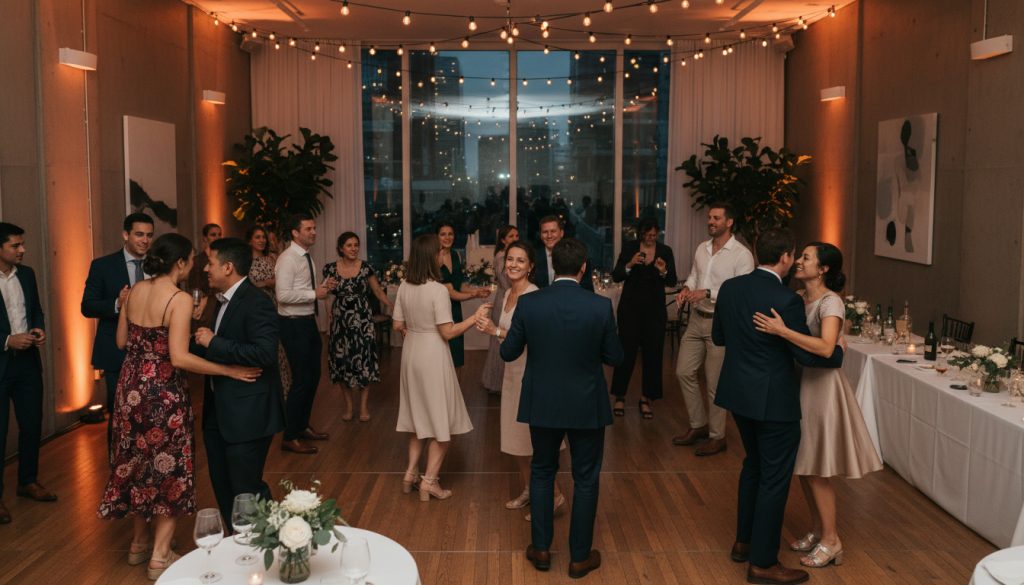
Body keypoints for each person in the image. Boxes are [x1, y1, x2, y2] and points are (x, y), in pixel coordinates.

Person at [97, 233, 260, 580]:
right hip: (162, 395)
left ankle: (139, 545)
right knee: (166, 468)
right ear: (180, 263)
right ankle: (159, 556)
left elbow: (122, 341)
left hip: (129, 391)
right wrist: (228, 370)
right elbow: (179, 358)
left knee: (137, 465)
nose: (198, 266)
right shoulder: (179, 298)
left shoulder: (134, 290)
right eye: (192, 260)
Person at [710, 228, 844, 585]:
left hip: (737, 394)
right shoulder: (786, 300)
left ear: (757, 252)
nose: (796, 261)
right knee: (774, 478)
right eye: (794, 256)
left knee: (753, 465)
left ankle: (743, 542)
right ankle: (763, 562)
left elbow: (719, 337)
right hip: (774, 401)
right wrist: (837, 353)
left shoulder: (730, 288)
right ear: (784, 256)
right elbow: (807, 356)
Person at [752, 242, 882, 568]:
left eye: (806, 258)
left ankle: (832, 540)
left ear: (823, 269)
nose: (798, 261)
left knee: (817, 469)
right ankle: (818, 529)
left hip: (821, 389)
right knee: (804, 465)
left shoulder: (830, 301)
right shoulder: (798, 298)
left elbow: (826, 348)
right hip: (800, 383)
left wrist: (783, 331)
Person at [500, 238, 623, 579]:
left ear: (553, 266)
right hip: (586, 403)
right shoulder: (600, 306)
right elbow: (615, 357)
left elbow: (508, 352)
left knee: (542, 471)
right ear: (583, 268)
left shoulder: (530, 303)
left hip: (543, 402)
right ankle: (579, 558)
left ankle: (541, 549)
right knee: (586, 478)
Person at [192, 237, 286, 528]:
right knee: (222, 485)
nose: (205, 269)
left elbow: (264, 353)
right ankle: (237, 542)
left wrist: (214, 342)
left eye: (210, 263)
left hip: (248, 413)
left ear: (228, 267)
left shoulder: (257, 302)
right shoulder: (219, 300)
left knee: (247, 489)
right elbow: (213, 345)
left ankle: (267, 543)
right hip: (217, 411)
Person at [393, 234, 490, 501]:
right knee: (441, 423)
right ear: (432, 256)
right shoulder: (437, 290)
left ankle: (410, 475)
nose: (442, 255)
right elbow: (447, 332)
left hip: (411, 353)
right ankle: (429, 482)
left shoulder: (404, 286)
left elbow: (397, 324)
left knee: (419, 420)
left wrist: (415, 331)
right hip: (432, 355)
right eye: (439, 251)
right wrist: (475, 318)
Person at [475, 241, 566, 517]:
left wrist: (494, 331)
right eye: (510, 259)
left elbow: (532, 338)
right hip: (512, 374)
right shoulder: (506, 294)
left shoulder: (534, 295)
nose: (513, 264)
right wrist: (493, 328)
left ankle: (554, 496)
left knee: (533, 443)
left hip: (531, 374)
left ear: (531, 266)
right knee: (517, 441)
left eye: (520, 260)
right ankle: (529, 490)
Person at [673, 203, 755, 456]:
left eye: (716, 218)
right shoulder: (702, 248)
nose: (710, 221)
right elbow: (694, 276)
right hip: (696, 319)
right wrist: (687, 289)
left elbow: (742, 292)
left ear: (729, 222)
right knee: (683, 371)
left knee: (714, 384)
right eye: (709, 217)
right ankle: (699, 424)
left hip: (721, 323)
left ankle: (717, 436)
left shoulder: (742, 255)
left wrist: (707, 293)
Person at [81, 212, 155, 460]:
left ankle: (146, 463)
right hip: (116, 351)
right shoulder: (103, 265)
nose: (145, 240)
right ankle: (118, 464)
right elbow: (87, 306)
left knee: (150, 411)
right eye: (139, 234)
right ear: (125, 234)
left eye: (149, 235)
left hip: (152, 352)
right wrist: (116, 303)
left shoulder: (158, 266)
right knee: (119, 410)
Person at [0, 223, 54, 525]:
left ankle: (28, 481)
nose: (22, 250)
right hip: (2, 363)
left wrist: (37, 328)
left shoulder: (27, 274)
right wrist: (7, 340)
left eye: (22, 244)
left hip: (27, 363)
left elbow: (35, 310)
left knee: (32, 424)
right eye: (15, 245)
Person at [276, 213, 335, 455]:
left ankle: (301, 426)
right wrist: (314, 294)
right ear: (295, 232)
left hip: (308, 322)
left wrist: (322, 289)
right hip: (292, 324)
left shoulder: (306, 256)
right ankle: (289, 436)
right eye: (308, 229)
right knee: (301, 379)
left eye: (314, 228)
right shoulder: (287, 259)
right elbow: (282, 295)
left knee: (313, 376)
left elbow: (305, 289)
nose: (314, 232)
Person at [609, 218, 677, 419]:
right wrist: (630, 264)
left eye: (654, 235)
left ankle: (647, 398)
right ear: (640, 234)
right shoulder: (630, 248)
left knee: (653, 355)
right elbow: (616, 275)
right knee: (626, 353)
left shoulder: (665, 251)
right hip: (630, 310)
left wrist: (663, 270)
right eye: (647, 235)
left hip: (654, 312)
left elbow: (672, 281)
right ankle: (620, 396)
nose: (651, 238)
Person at [323, 232, 391, 422]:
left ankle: (363, 407)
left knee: (364, 362)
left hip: (362, 321)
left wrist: (394, 307)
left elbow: (377, 291)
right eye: (349, 245)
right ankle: (348, 406)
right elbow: (326, 294)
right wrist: (329, 316)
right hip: (340, 322)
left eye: (356, 245)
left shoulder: (366, 268)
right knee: (341, 362)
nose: (353, 248)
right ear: (341, 248)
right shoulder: (330, 268)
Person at [436, 223, 490, 369]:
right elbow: (451, 293)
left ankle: (456, 385)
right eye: (443, 234)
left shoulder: (456, 255)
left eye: (450, 234)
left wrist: (477, 290)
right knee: (442, 359)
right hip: (440, 310)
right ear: (436, 237)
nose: (447, 237)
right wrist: (474, 295)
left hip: (455, 309)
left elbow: (459, 286)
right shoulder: (434, 258)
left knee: (456, 356)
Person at [247, 225, 292, 396]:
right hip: (252, 308)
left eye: (263, 237)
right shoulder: (244, 261)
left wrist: (265, 283)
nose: (262, 240)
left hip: (272, 305)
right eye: (257, 237)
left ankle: (282, 391)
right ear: (249, 240)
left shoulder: (272, 259)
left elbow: (281, 281)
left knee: (275, 344)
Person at [480, 225, 519, 394]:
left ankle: (500, 382)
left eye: (516, 236)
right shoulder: (502, 257)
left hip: (507, 299)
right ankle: (496, 383)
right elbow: (507, 283)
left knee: (503, 340)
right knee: (499, 342)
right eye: (511, 236)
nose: (515, 239)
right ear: (503, 240)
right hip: (504, 301)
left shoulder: (507, 255)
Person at [532, 216, 594, 291]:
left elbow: (587, 289)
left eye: (553, 231)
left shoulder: (578, 256)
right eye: (545, 232)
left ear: (561, 233)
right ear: (540, 235)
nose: (549, 236)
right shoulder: (533, 257)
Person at [187, 223, 222, 324]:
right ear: (205, 238)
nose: (217, 237)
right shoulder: (197, 260)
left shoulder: (222, 259)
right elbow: (194, 287)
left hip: (220, 303)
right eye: (213, 235)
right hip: (204, 308)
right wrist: (204, 300)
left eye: (219, 234)